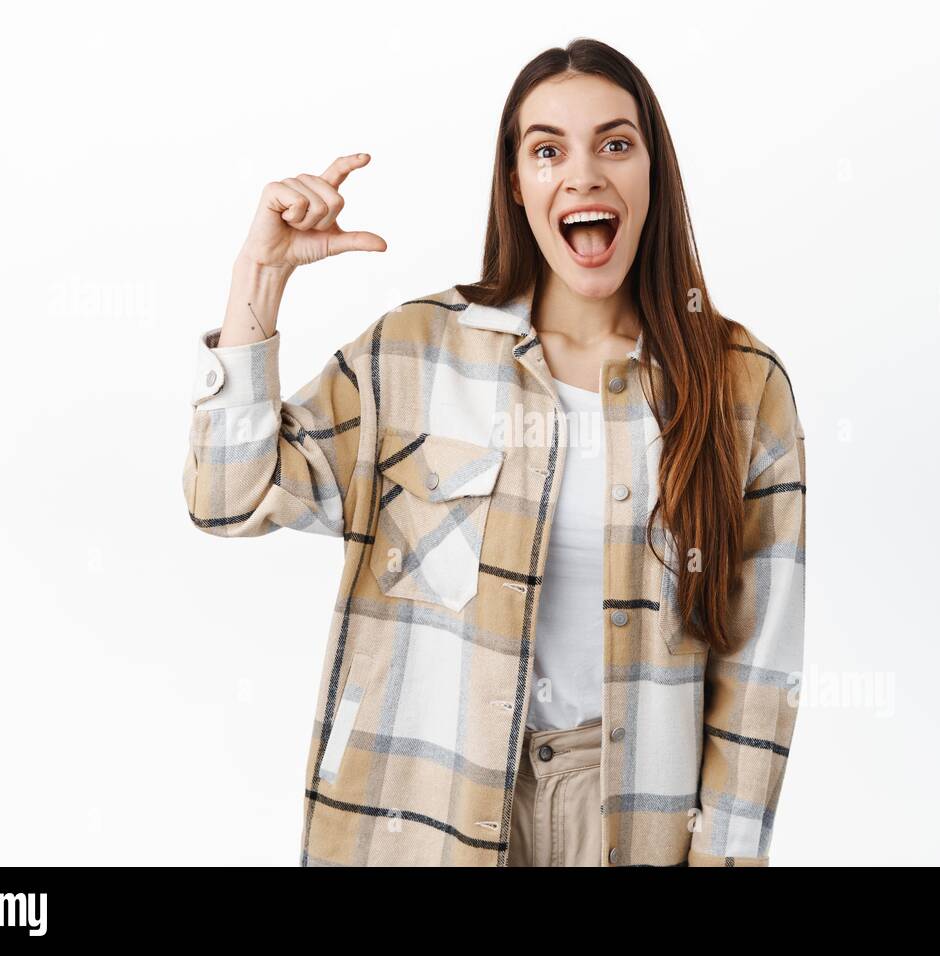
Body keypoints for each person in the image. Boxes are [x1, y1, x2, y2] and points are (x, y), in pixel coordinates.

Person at [182, 37, 806, 867]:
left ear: (654, 172)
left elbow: (758, 671)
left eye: (614, 144)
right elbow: (228, 497)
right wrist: (258, 279)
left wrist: (725, 856)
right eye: (548, 150)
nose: (582, 175)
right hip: (433, 805)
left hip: (629, 821)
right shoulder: (413, 354)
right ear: (519, 185)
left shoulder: (742, 387)